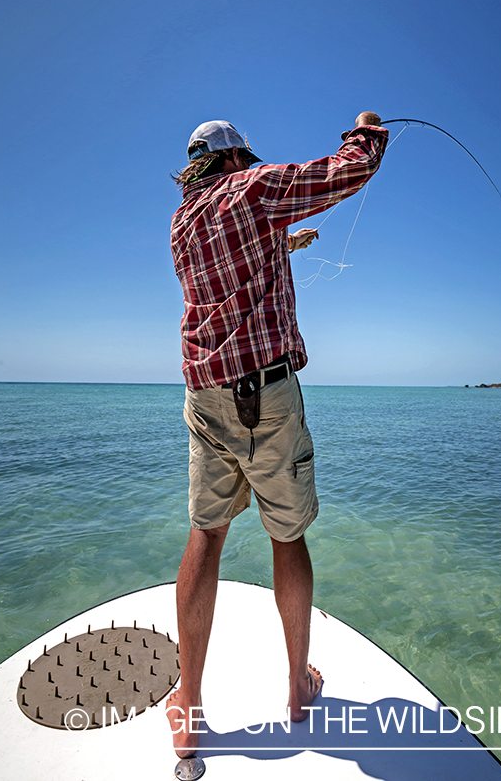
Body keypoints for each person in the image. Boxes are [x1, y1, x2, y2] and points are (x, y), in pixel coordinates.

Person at [166, 113, 388, 766]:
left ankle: (190, 706)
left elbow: (228, 271)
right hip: (267, 393)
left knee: (206, 536)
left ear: (194, 165)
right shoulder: (254, 190)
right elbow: (348, 171)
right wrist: (367, 133)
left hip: (205, 395)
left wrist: (285, 244)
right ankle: (296, 685)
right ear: (238, 156)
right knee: (286, 535)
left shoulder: (182, 223)